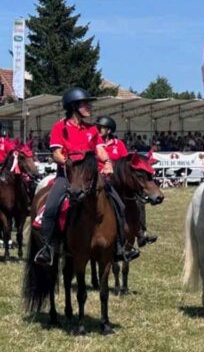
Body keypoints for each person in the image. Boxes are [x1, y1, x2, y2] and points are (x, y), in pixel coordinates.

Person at [35, 88, 137, 266]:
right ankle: (48, 248)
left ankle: (119, 247)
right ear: (74, 106)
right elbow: (56, 153)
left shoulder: (92, 130)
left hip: (91, 177)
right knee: (51, 208)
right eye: (85, 104)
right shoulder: (60, 127)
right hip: (68, 176)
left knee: (119, 205)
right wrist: (66, 161)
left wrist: (107, 163)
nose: (90, 107)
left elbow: (100, 150)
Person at [97, 116, 158, 247]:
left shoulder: (118, 144)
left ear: (108, 130)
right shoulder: (95, 143)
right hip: (99, 178)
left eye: (100, 128)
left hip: (116, 180)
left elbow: (125, 163)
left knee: (137, 199)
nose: (98, 130)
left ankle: (140, 233)